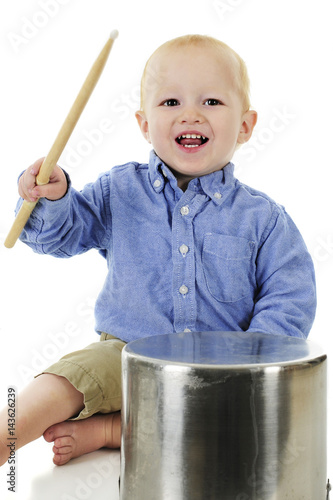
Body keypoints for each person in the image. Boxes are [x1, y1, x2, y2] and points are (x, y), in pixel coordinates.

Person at [0, 34, 316, 467]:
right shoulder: (119, 191)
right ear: (144, 124)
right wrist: (52, 199)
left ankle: (113, 430)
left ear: (245, 125)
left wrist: (250, 358)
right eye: (170, 103)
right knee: (65, 378)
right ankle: (5, 436)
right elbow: (63, 236)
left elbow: (290, 294)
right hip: (126, 354)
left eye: (211, 102)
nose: (190, 114)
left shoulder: (264, 219)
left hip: (218, 369)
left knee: (234, 423)